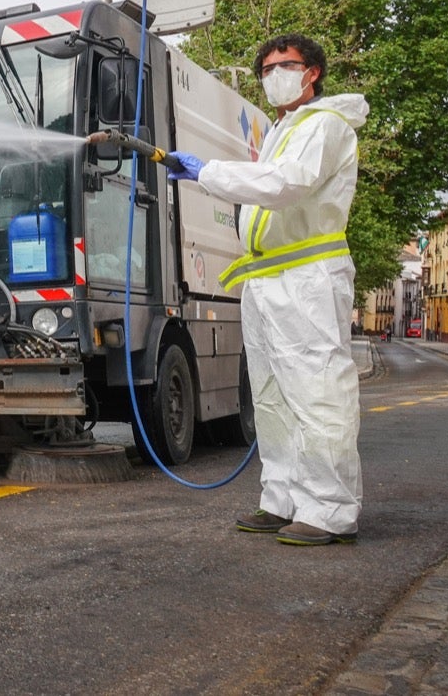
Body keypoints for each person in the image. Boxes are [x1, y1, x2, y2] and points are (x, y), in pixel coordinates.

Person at [164, 34, 367, 547]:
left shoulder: (325, 125)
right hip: (267, 277)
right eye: (267, 69)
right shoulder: (283, 128)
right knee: (272, 396)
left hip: (307, 276)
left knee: (316, 389)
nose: (274, 75)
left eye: (285, 65)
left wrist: (208, 173)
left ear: (312, 72)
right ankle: (282, 499)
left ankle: (330, 510)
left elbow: (285, 183)